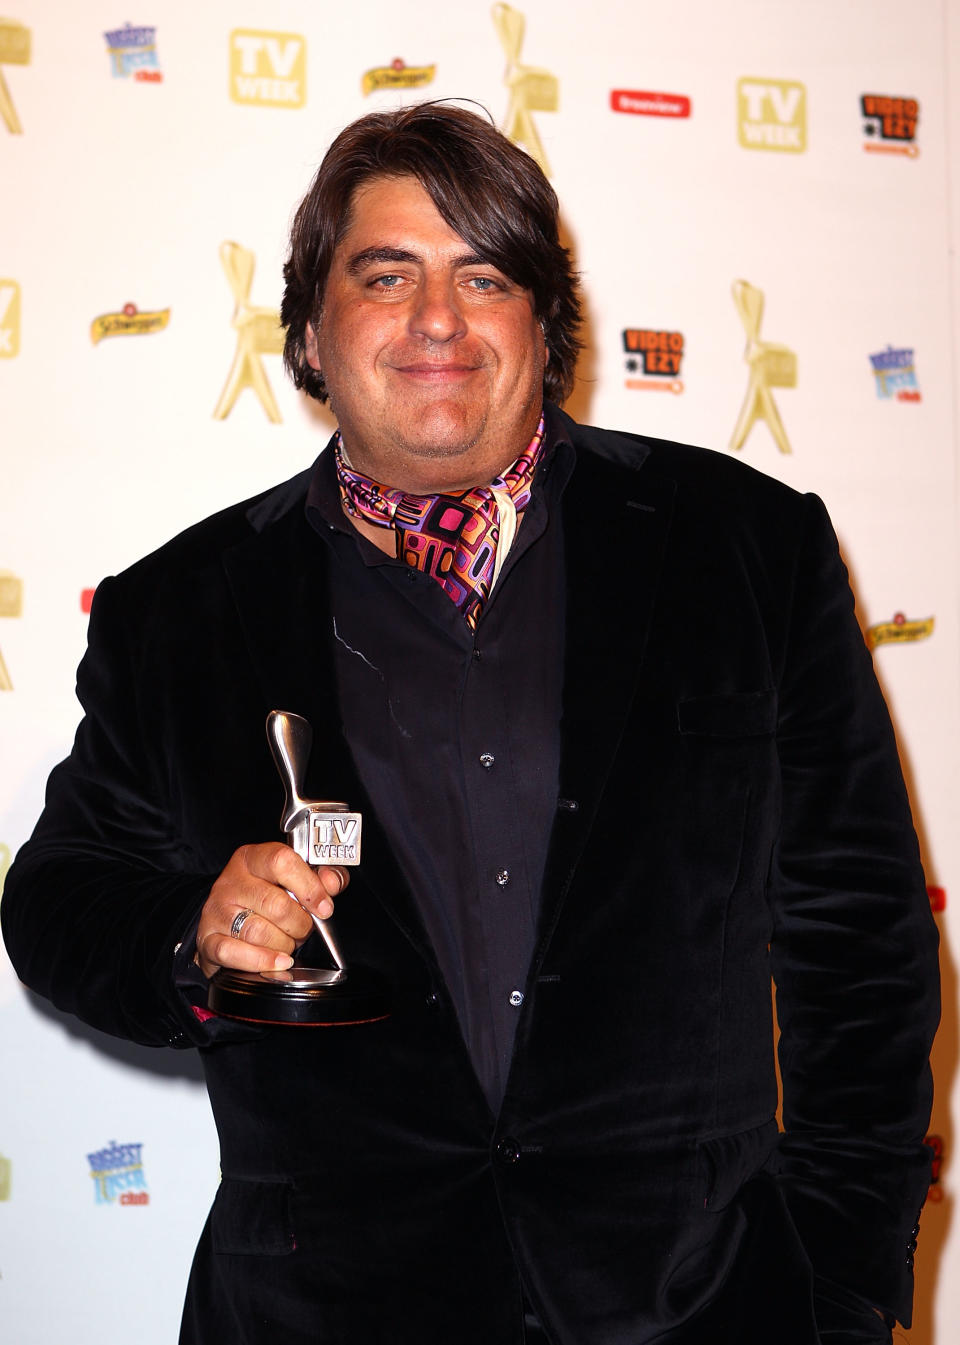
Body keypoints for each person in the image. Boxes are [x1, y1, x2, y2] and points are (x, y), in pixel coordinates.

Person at [1, 103, 939, 1345]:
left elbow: (861, 950)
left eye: (483, 275)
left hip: (700, 1306)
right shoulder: (178, 609)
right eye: (386, 275)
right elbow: (59, 898)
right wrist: (191, 933)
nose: (437, 318)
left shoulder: (746, 550)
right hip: (324, 1314)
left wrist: (844, 1289)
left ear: (542, 325)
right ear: (313, 332)